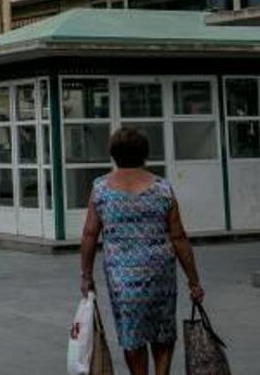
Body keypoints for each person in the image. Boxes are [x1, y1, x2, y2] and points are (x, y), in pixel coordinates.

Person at [80, 127, 205, 375]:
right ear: (145, 154)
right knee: (162, 332)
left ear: (113, 154)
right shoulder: (162, 188)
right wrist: (194, 281)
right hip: (160, 275)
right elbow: (179, 237)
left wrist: (86, 275)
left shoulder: (101, 188)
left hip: (122, 280)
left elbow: (90, 235)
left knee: (132, 335)